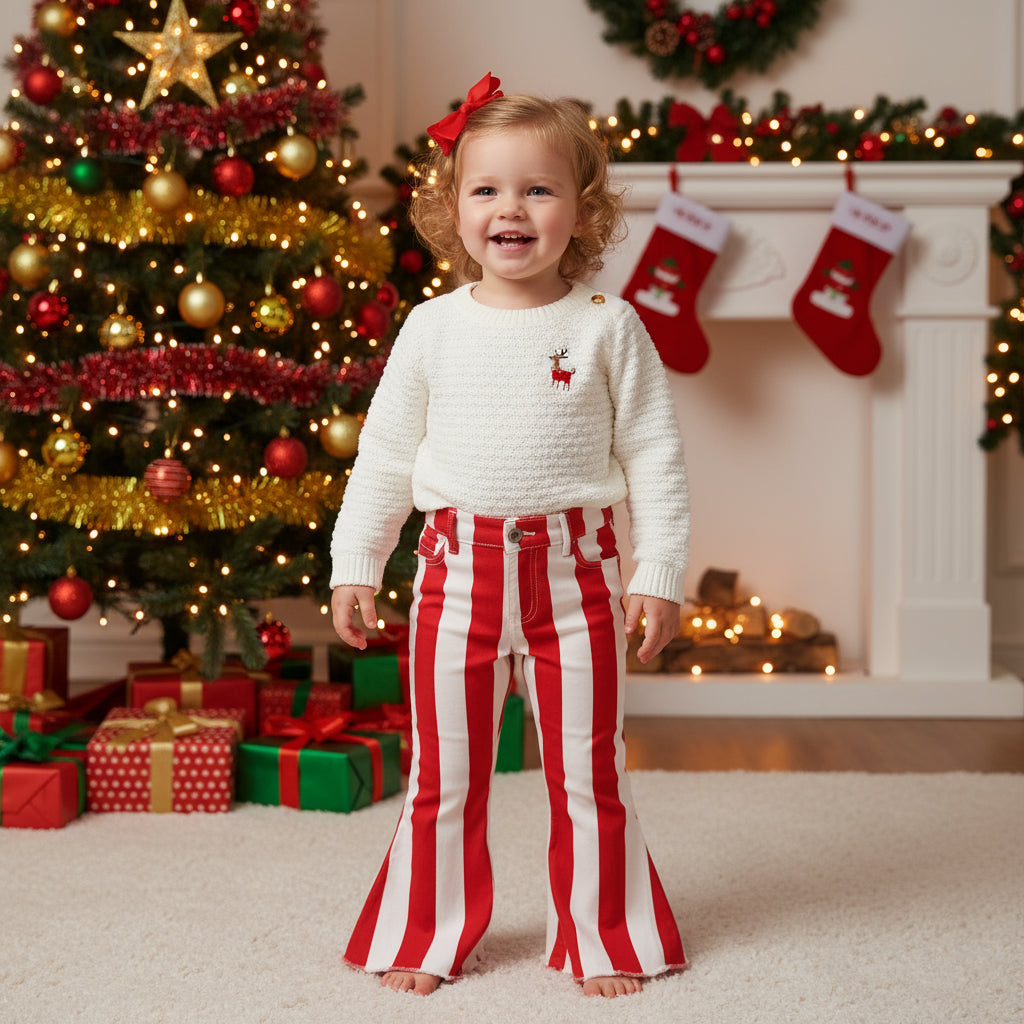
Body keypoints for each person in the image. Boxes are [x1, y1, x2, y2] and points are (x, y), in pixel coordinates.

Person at [330, 72, 690, 999]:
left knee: (588, 769)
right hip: (457, 573)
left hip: (578, 574)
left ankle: (603, 934)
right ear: (453, 209)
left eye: (538, 188)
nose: (511, 209)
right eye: (487, 189)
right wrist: (357, 560)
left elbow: (654, 453)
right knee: (445, 773)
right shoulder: (431, 329)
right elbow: (384, 454)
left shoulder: (612, 327)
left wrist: (658, 570)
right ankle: (427, 929)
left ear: (584, 208)